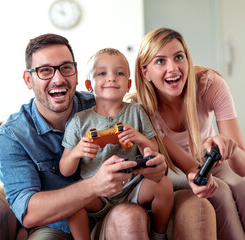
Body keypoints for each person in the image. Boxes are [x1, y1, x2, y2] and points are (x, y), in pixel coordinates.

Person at [0, 33, 217, 240]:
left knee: (151, 198)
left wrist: (155, 164)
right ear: (28, 79)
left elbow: (155, 145)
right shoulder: (14, 134)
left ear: (76, 74)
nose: (57, 79)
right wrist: (92, 183)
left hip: (129, 194)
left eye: (65, 68)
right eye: (45, 70)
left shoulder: (113, 103)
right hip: (59, 222)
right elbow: (27, 212)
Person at [134, 27, 245, 240]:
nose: (173, 68)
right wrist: (200, 177)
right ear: (145, 72)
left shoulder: (209, 84)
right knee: (220, 193)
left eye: (179, 57)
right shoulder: (142, 108)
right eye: (160, 61)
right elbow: (189, 167)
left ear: (187, 60)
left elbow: (242, 167)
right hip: (175, 169)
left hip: (209, 157)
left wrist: (228, 145)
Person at [59, 48, 174, 240]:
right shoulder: (79, 121)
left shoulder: (136, 111)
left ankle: (159, 234)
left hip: (132, 186)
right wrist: (77, 152)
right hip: (97, 193)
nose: (111, 78)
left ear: (128, 84)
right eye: (102, 73)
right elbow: (65, 169)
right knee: (72, 201)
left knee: (165, 185)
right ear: (89, 85)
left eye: (119, 73)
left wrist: (138, 138)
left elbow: (153, 150)